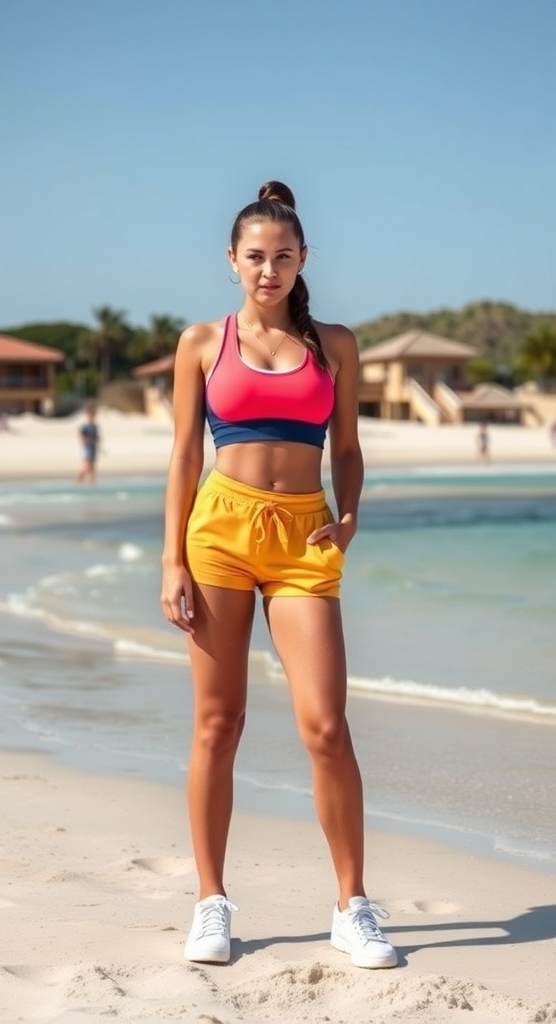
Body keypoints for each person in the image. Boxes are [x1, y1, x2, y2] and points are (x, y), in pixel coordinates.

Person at [160, 181, 397, 970]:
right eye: (255, 257)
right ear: (232, 261)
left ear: (303, 261)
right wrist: (172, 561)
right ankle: (211, 902)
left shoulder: (337, 344)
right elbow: (186, 456)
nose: (269, 269)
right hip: (219, 533)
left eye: (283, 257)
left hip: (304, 538)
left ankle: (352, 905)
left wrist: (352, 512)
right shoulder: (202, 343)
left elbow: (350, 448)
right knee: (217, 725)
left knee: (326, 727)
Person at [76, 404, 100, 484]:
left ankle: (92, 483)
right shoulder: (84, 426)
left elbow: (97, 437)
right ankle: (78, 481)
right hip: (87, 448)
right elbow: (81, 437)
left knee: (93, 466)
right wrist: (90, 440)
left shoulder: (95, 426)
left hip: (93, 448)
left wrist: (96, 441)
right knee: (86, 466)